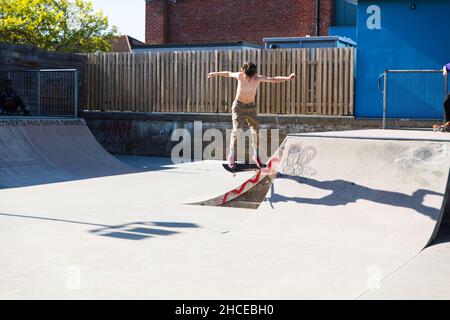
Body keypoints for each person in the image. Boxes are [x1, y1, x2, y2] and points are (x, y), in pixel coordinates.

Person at [208, 62, 295, 169]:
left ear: (254, 74)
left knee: (255, 130)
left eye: (251, 77)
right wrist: (215, 73)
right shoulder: (239, 75)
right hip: (238, 107)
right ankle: (231, 155)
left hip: (251, 108)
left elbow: (273, 79)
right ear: (243, 72)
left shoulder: (257, 78)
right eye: (246, 77)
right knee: (237, 130)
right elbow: (227, 73)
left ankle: (256, 155)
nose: (248, 79)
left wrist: (288, 78)